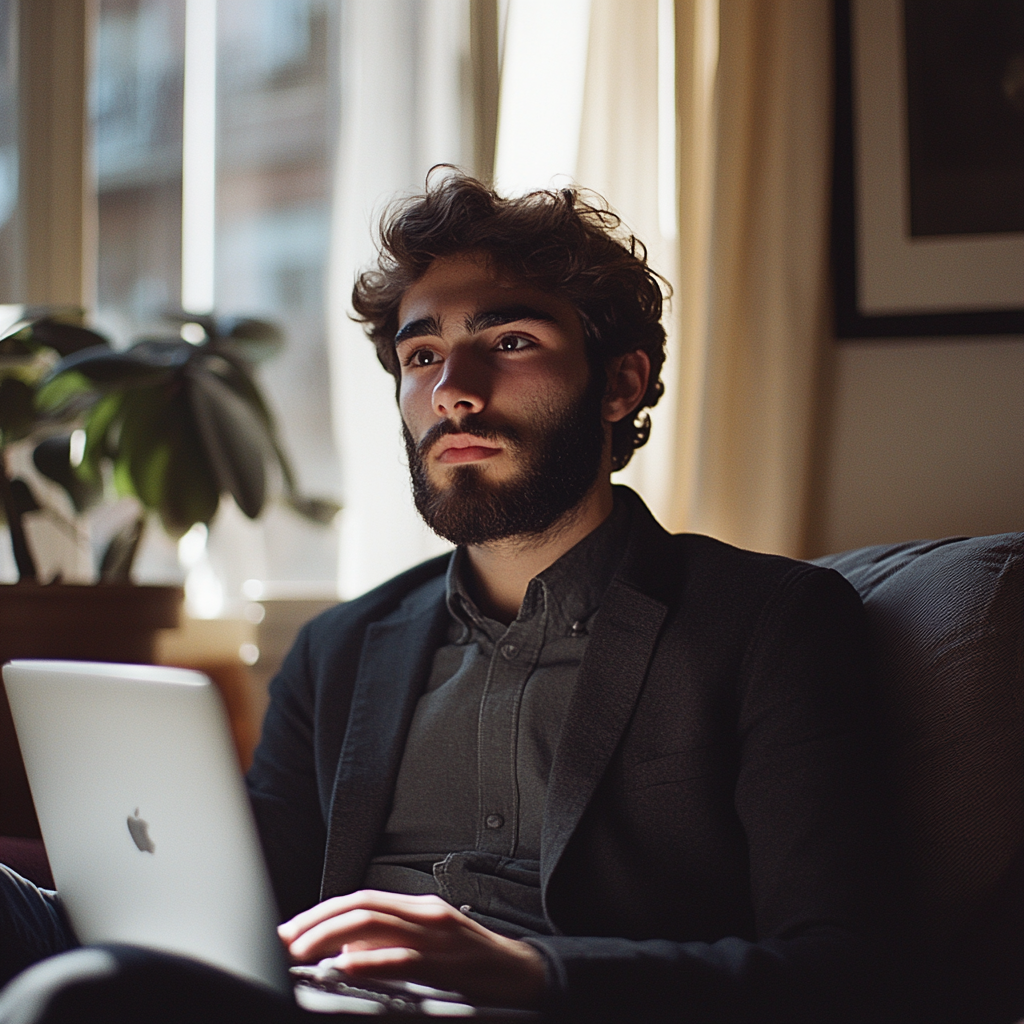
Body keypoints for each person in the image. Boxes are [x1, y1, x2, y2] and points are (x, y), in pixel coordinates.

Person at [0, 172, 898, 1022]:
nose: (453, 393)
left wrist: (530, 970)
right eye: (421, 354)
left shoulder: (772, 622)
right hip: (324, 1003)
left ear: (619, 383)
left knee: (67, 1005)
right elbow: (244, 901)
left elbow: (836, 970)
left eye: (509, 343)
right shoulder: (340, 649)